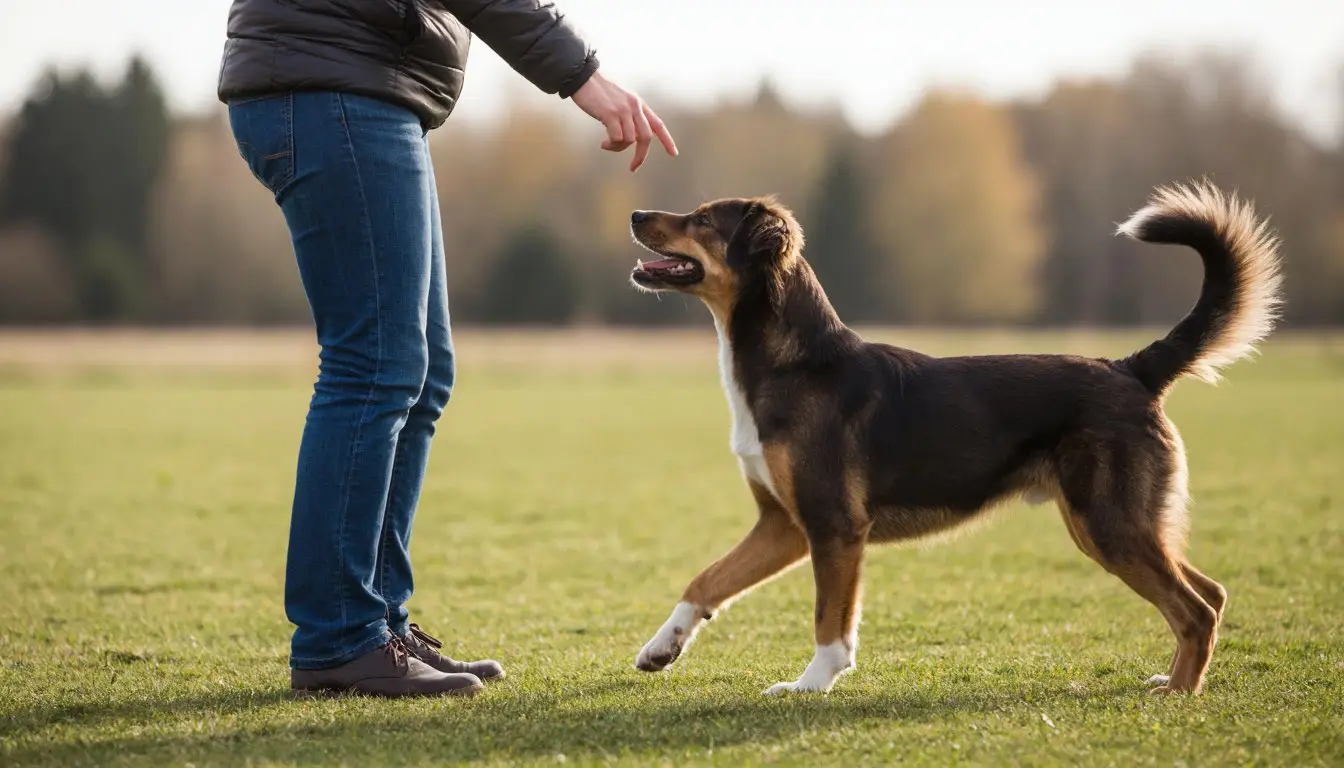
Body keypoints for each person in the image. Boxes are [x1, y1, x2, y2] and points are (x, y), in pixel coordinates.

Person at [217, 0, 677, 698]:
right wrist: (583, 74)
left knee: (420, 374)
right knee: (373, 367)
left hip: (357, 88)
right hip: (333, 89)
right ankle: (339, 637)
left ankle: (375, 625)